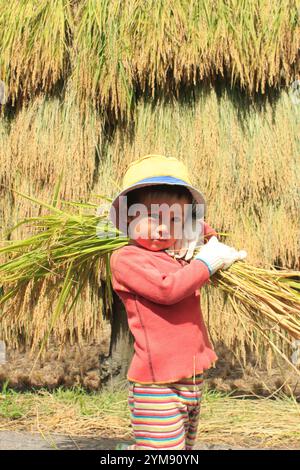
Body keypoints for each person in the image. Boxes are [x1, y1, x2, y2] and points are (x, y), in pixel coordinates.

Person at [108, 154, 247, 450]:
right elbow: (167, 291)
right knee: (162, 452)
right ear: (129, 218)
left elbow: (210, 237)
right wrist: (207, 264)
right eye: (154, 217)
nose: (163, 228)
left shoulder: (181, 253)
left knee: (183, 448)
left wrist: (196, 233)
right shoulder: (126, 259)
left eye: (174, 220)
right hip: (158, 382)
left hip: (192, 376)